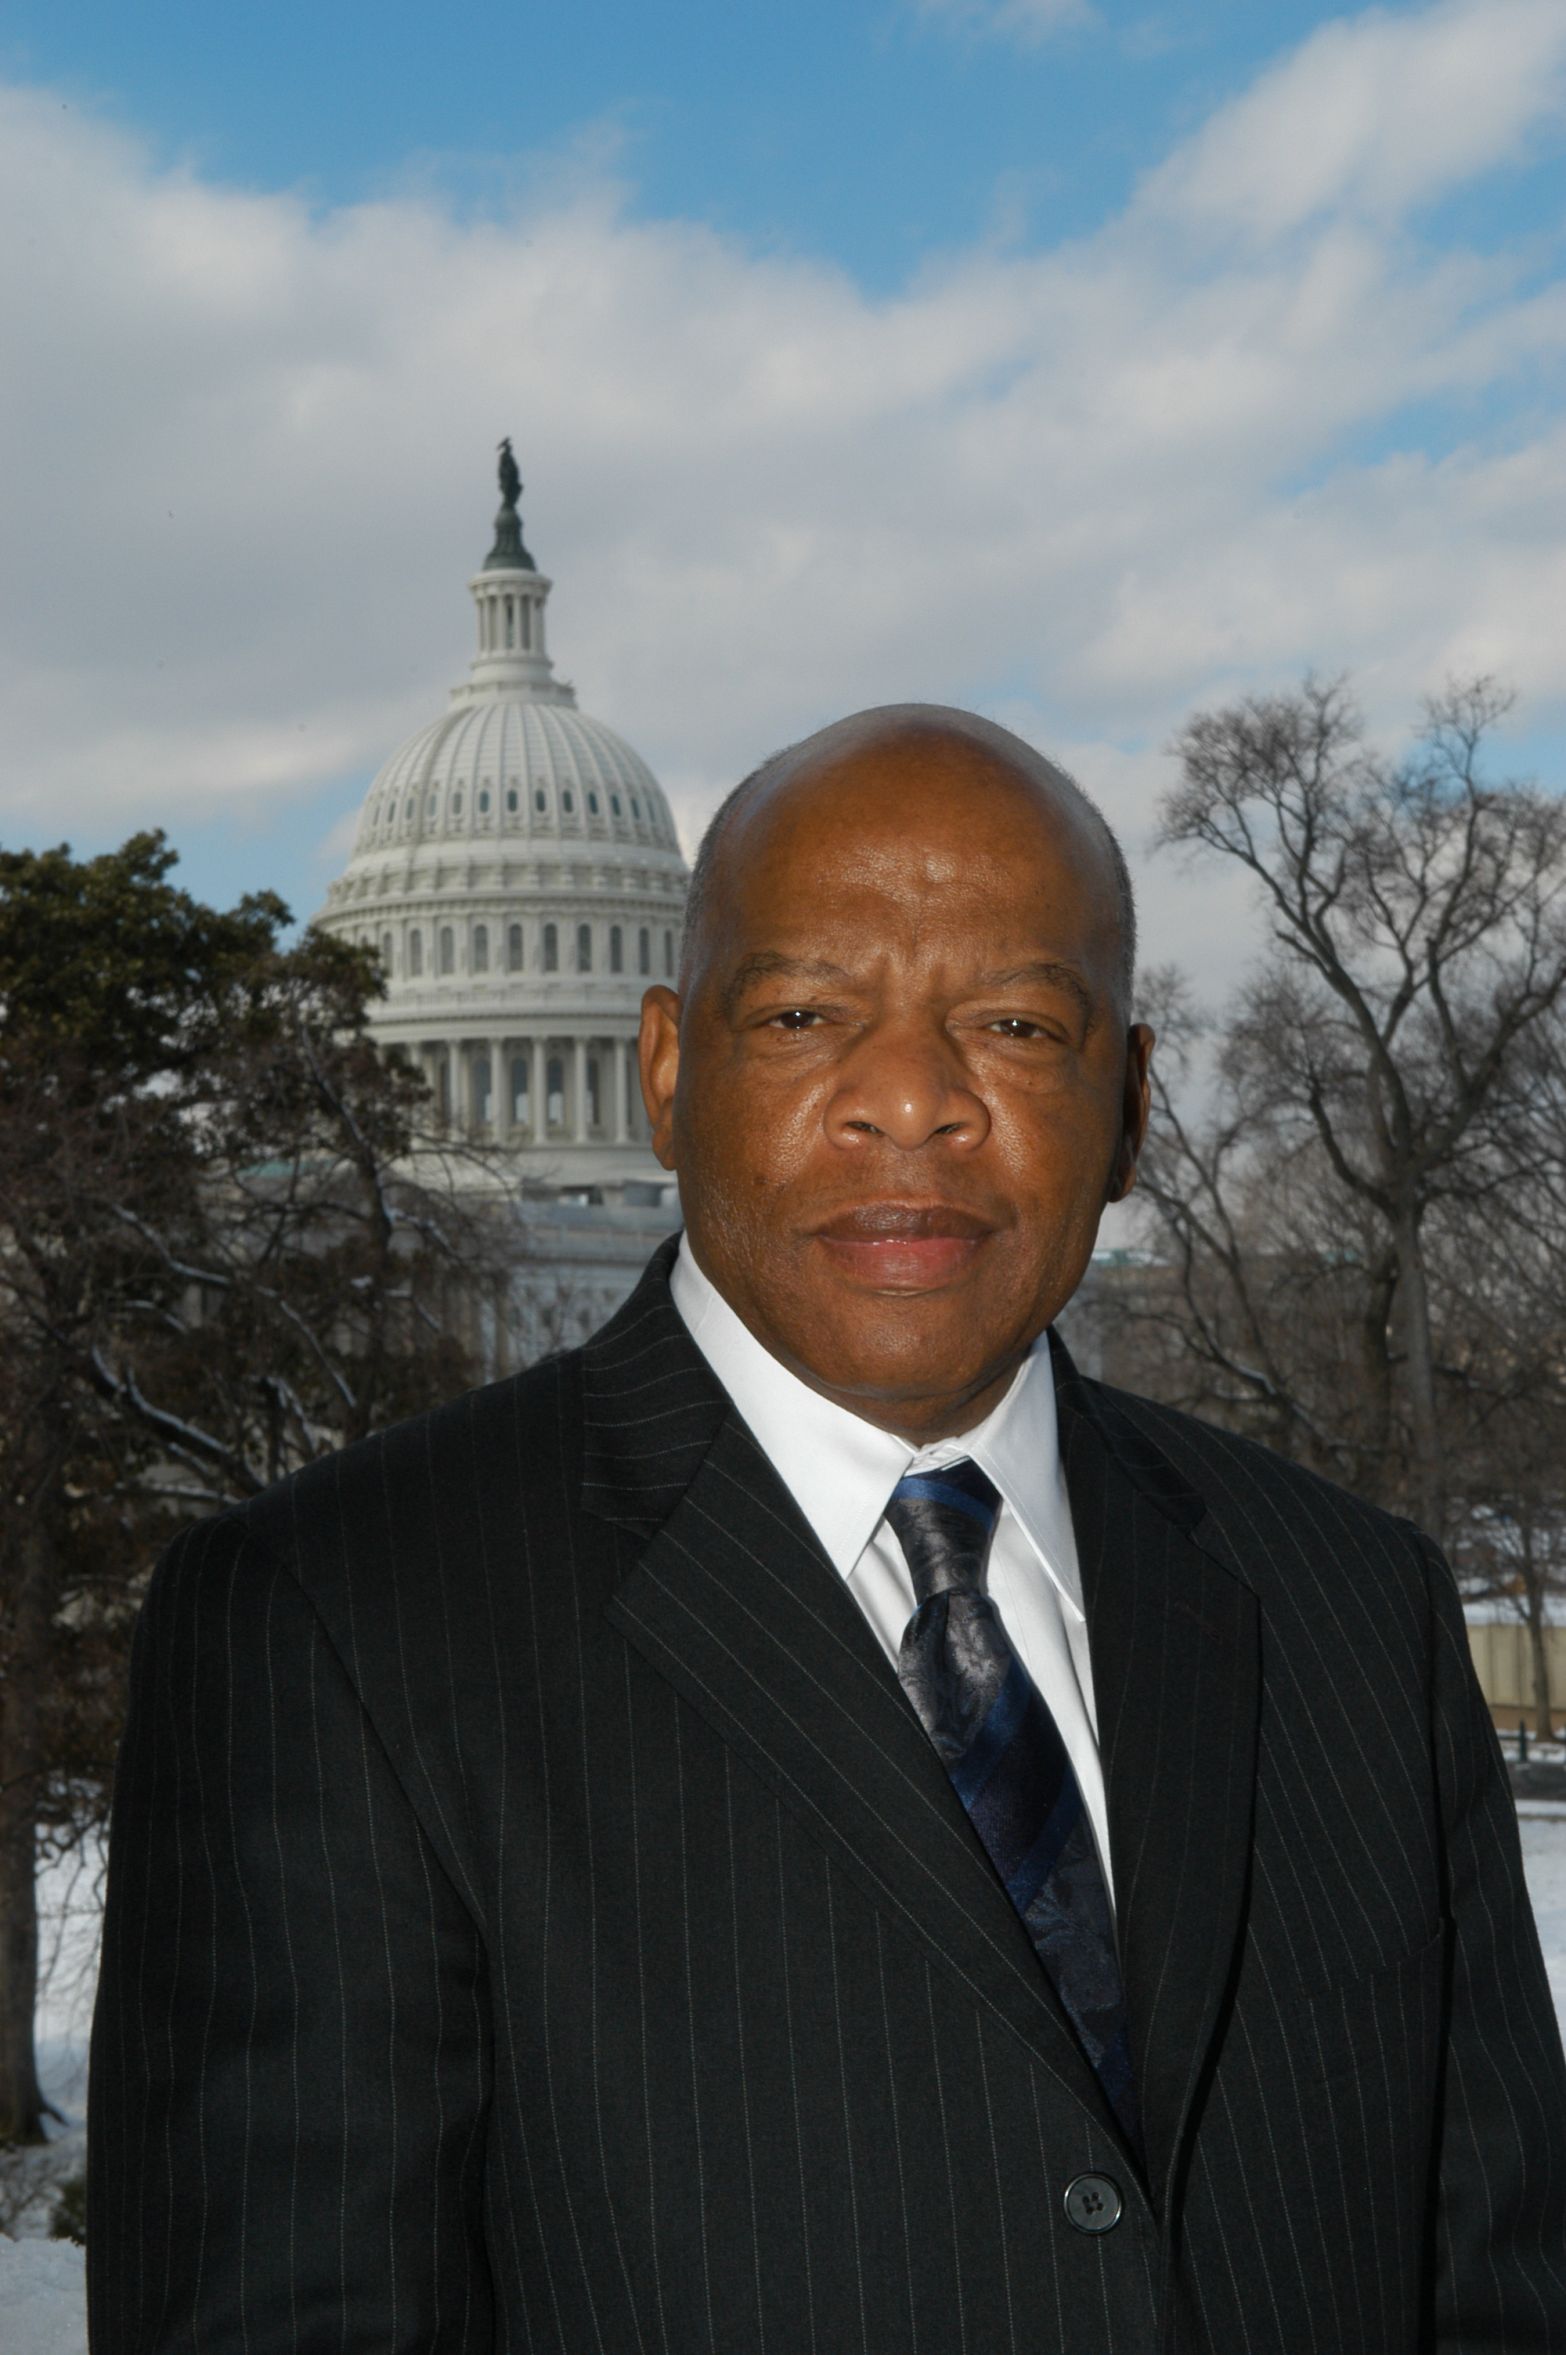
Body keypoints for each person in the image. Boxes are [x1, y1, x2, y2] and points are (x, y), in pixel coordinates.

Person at [88, 706, 1566, 2352]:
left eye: (1010, 1023)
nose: (910, 1106)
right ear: (664, 1071)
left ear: (1131, 1103)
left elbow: (1497, 2281)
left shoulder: (1353, 1609)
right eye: (803, 1015)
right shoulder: (331, 1627)